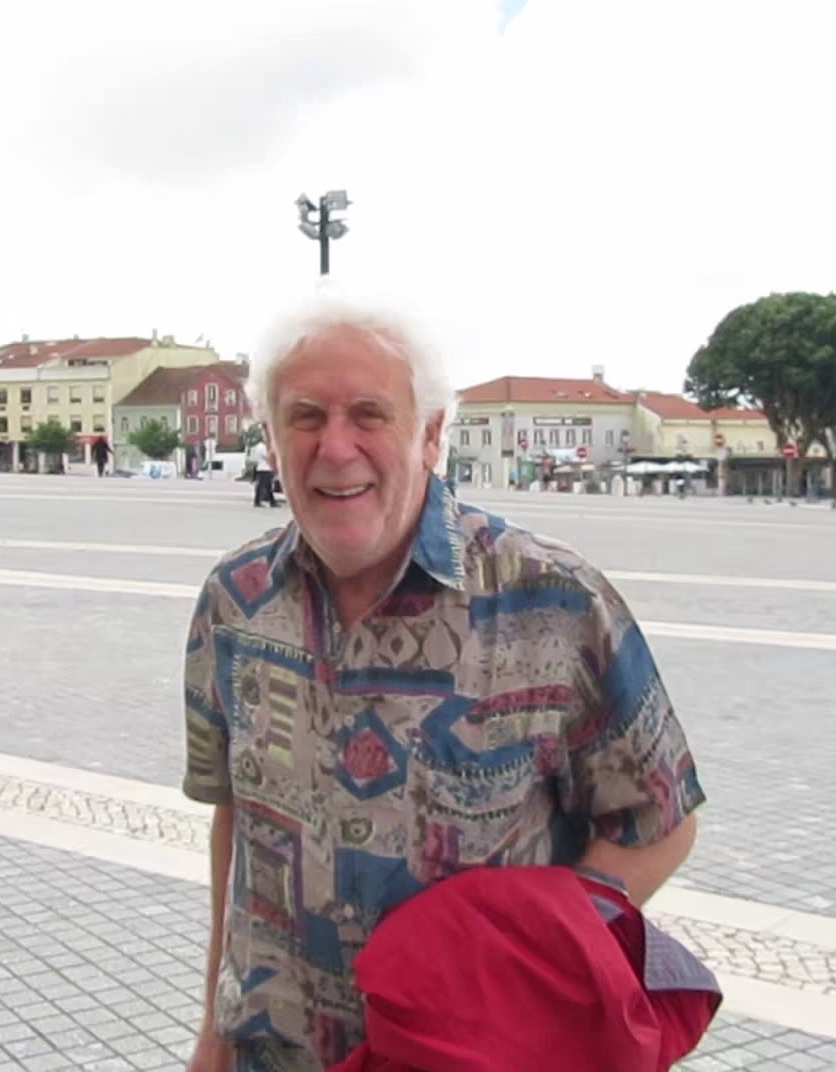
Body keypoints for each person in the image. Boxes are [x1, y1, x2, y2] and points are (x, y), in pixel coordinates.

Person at [181, 286, 705, 1072]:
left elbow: (659, 820)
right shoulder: (235, 600)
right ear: (270, 436)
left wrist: (514, 980)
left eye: (369, 414)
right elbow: (237, 824)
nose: (336, 446)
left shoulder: (552, 600)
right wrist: (214, 1038)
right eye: (306, 417)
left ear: (429, 434)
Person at [250, 433, 279, 507]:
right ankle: (263, 502)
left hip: (264, 468)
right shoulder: (261, 447)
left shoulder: (262, 446)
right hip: (264, 469)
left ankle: (269, 502)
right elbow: (267, 456)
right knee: (264, 486)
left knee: (266, 486)